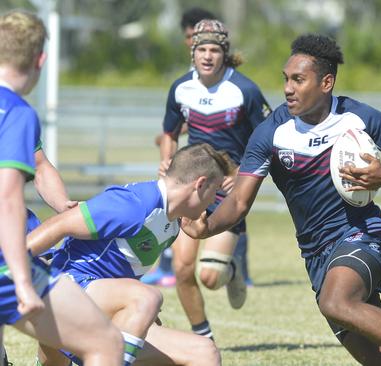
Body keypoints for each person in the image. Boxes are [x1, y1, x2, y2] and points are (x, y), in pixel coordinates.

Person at [182, 33, 381, 366]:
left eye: (299, 79)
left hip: (363, 234)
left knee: (336, 303)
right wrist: (206, 227)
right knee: (375, 357)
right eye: (286, 79)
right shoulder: (271, 132)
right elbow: (239, 202)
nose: (287, 88)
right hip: (315, 254)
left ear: (326, 82)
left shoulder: (358, 118)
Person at [28, 143, 226, 366]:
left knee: (204, 352)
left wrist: (137, 316)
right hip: (65, 295)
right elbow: (58, 225)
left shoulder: (170, 225)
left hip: (97, 313)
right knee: (146, 297)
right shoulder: (134, 203)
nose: (214, 202)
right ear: (200, 184)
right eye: (215, 191)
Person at [0, 9, 123, 366]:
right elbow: (8, 200)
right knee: (104, 343)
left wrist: (64, 207)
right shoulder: (16, 112)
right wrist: (22, 279)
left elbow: (39, 166)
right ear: (41, 60)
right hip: (7, 263)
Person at [159, 18, 271, 340]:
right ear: (192, 52)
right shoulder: (181, 88)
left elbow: (268, 137)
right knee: (181, 269)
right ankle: (203, 338)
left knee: (210, 276)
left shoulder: (245, 91)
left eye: (214, 49)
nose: (208, 56)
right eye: (202, 49)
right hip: (190, 188)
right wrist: (167, 162)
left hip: (227, 190)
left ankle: (232, 269)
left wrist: (243, 176)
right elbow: (168, 133)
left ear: (225, 54)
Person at [145, 6, 217, 288]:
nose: (192, 41)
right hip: (198, 159)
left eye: (196, 35)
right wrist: (168, 141)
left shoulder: (222, 73)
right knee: (173, 205)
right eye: (189, 36)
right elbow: (183, 116)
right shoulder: (187, 78)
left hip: (222, 164)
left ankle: (237, 267)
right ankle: (166, 264)